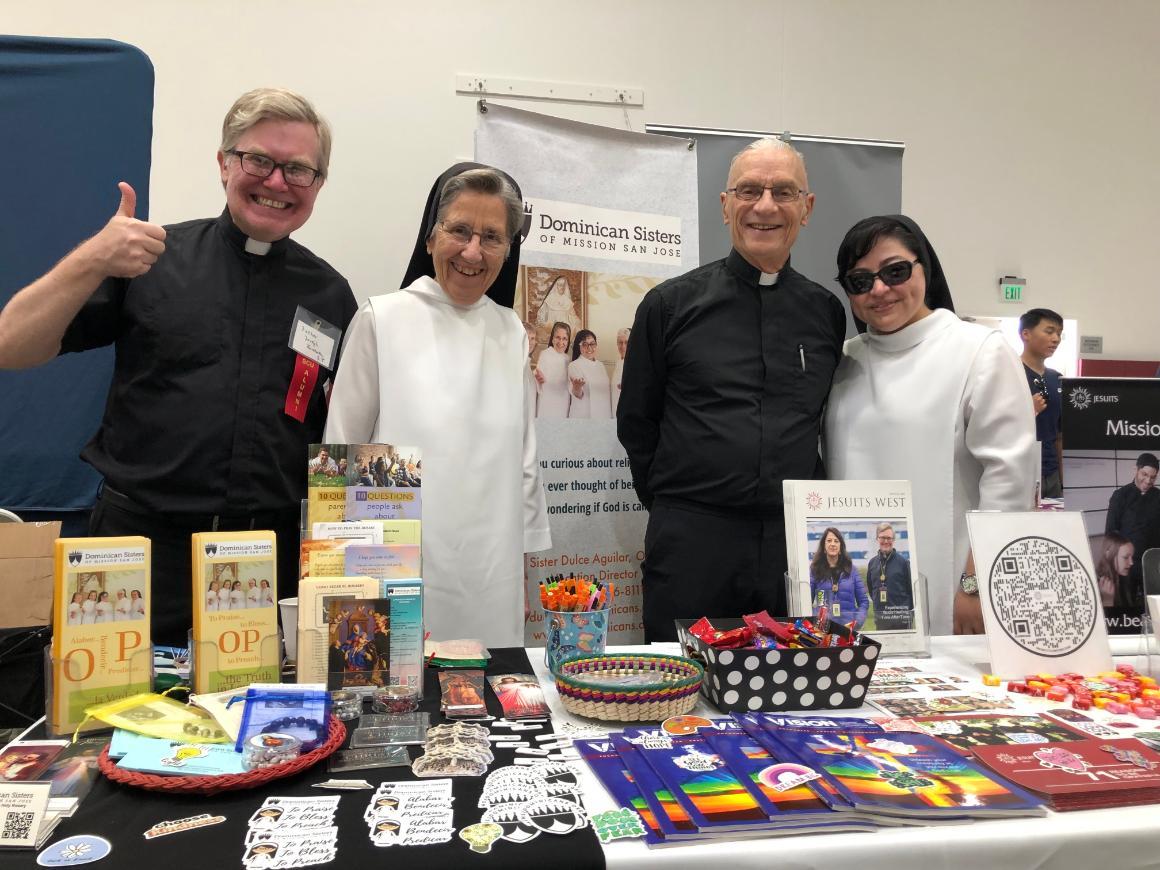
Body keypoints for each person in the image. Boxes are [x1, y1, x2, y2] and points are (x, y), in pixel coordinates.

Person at [0, 88, 358, 647]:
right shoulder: (149, 259)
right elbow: (10, 344)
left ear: (318, 184)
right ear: (224, 163)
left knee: (258, 706)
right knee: (107, 701)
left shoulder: (331, 295)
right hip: (137, 551)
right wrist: (93, 257)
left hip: (265, 562)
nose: (277, 181)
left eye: (298, 169)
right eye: (259, 160)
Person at [618, 138, 845, 641]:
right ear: (726, 206)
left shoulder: (825, 312)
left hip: (791, 550)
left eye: (783, 192)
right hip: (692, 546)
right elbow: (637, 422)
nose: (765, 206)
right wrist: (680, 509)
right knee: (682, 682)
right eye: (749, 190)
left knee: (793, 681)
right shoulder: (669, 306)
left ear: (806, 208)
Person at [324, 164, 552, 647]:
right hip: (393, 565)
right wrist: (340, 578)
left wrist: (524, 566)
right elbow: (340, 453)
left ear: (508, 250)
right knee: (395, 680)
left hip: (492, 568)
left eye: (492, 237)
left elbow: (525, 458)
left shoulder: (511, 331)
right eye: (460, 231)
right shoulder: (381, 319)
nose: (472, 252)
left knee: (490, 681)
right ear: (431, 237)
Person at [825, 215, 1037, 635]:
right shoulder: (845, 359)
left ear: (926, 268)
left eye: (895, 272)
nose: (879, 289)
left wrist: (976, 586)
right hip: (854, 594)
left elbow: (1010, 482)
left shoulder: (979, 351)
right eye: (860, 281)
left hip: (952, 588)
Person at [1019, 308, 1064, 499]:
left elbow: (1059, 436)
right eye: (1049, 331)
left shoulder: (1057, 379)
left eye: (1059, 333)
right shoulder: (1009, 373)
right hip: (1018, 472)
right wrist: (1026, 411)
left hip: (1051, 474)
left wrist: (1063, 480)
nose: (1056, 339)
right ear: (1026, 334)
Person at [1105, 452, 1160, 600]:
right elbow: (1110, 533)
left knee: (1153, 602)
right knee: (1126, 602)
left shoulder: (1158, 496)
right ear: (1136, 470)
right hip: (1127, 563)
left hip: (1152, 563)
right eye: (1144, 474)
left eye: (1153, 477)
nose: (1148, 481)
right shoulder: (1120, 495)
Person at [808, 528, 868, 629]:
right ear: (824, 547)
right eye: (829, 540)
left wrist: (857, 623)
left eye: (836, 541)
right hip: (823, 631)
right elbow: (806, 602)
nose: (833, 544)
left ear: (840, 547)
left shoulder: (852, 570)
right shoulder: (815, 570)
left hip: (848, 630)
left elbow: (863, 602)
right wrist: (817, 618)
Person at [865, 522, 914, 630]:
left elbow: (911, 591)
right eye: (882, 538)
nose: (886, 541)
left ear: (893, 540)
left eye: (889, 538)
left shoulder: (903, 562)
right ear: (877, 539)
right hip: (881, 619)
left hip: (901, 621)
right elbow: (871, 589)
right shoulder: (872, 563)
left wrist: (908, 615)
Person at [567, 330, 612, 419]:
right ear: (579, 347)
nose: (589, 348)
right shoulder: (574, 365)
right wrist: (577, 388)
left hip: (603, 415)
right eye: (585, 344)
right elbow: (578, 394)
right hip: (584, 417)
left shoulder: (600, 365)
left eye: (592, 344)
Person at [534, 322, 573, 418]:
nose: (561, 342)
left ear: (568, 341)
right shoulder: (545, 354)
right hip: (547, 403)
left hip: (563, 403)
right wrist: (539, 380)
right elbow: (538, 382)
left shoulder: (568, 359)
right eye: (558, 337)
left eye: (564, 339)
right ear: (552, 339)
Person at [1095, 532, 1136, 610]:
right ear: (1108, 555)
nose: (1131, 563)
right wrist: (1107, 601)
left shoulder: (1123, 579)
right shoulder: (1096, 583)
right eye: (1126, 557)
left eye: (1132, 557)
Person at [611, 327, 630, 415]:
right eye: (620, 342)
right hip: (615, 412)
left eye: (626, 342)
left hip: (627, 413)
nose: (623, 346)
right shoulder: (618, 363)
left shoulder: (636, 364)